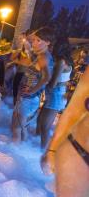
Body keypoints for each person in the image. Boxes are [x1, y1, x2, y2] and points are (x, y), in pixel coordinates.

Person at [41, 66, 89, 197]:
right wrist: (52, 151)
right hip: (78, 154)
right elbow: (74, 111)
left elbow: (73, 111)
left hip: (79, 153)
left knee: (43, 125)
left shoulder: (60, 62)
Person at [11, 27, 54, 143]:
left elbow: (47, 77)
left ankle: (12, 154)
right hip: (29, 98)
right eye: (34, 40)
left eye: (38, 40)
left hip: (28, 98)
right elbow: (25, 62)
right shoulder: (43, 55)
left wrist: (32, 90)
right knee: (21, 127)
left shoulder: (44, 57)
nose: (34, 42)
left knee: (16, 128)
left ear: (48, 42)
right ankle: (18, 152)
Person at [36, 37, 72, 148]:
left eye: (53, 45)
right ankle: (33, 148)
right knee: (39, 122)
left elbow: (53, 83)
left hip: (56, 95)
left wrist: (40, 81)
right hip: (54, 94)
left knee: (45, 127)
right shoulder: (60, 60)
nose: (50, 47)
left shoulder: (61, 62)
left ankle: (41, 153)